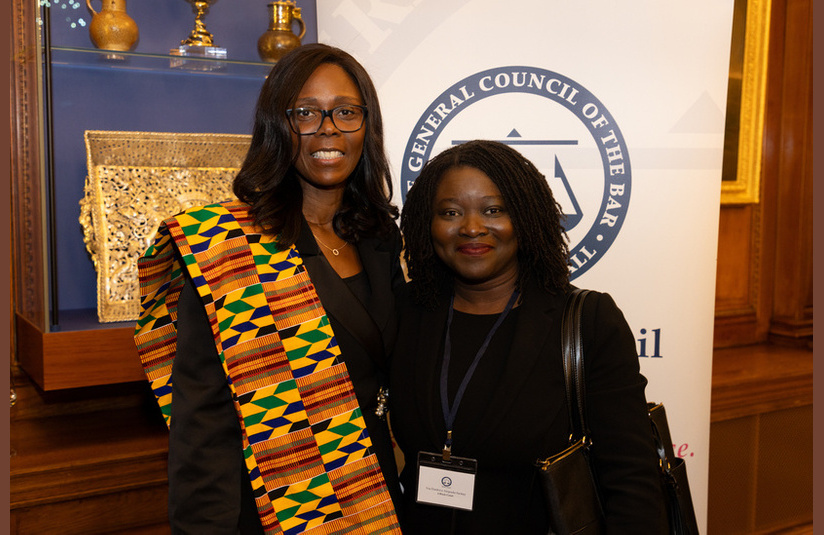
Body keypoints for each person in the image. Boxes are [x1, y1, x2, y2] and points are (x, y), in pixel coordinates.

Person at [134, 44, 403, 534]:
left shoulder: (382, 236)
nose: (328, 128)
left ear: (367, 125)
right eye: (306, 113)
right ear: (277, 125)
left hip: (375, 493)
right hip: (272, 508)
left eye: (346, 111)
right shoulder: (227, 249)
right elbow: (203, 426)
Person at [391, 140, 667, 534]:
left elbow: (632, 482)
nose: (471, 227)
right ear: (425, 223)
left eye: (493, 210)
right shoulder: (406, 313)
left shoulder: (587, 321)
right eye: (450, 212)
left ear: (525, 217)